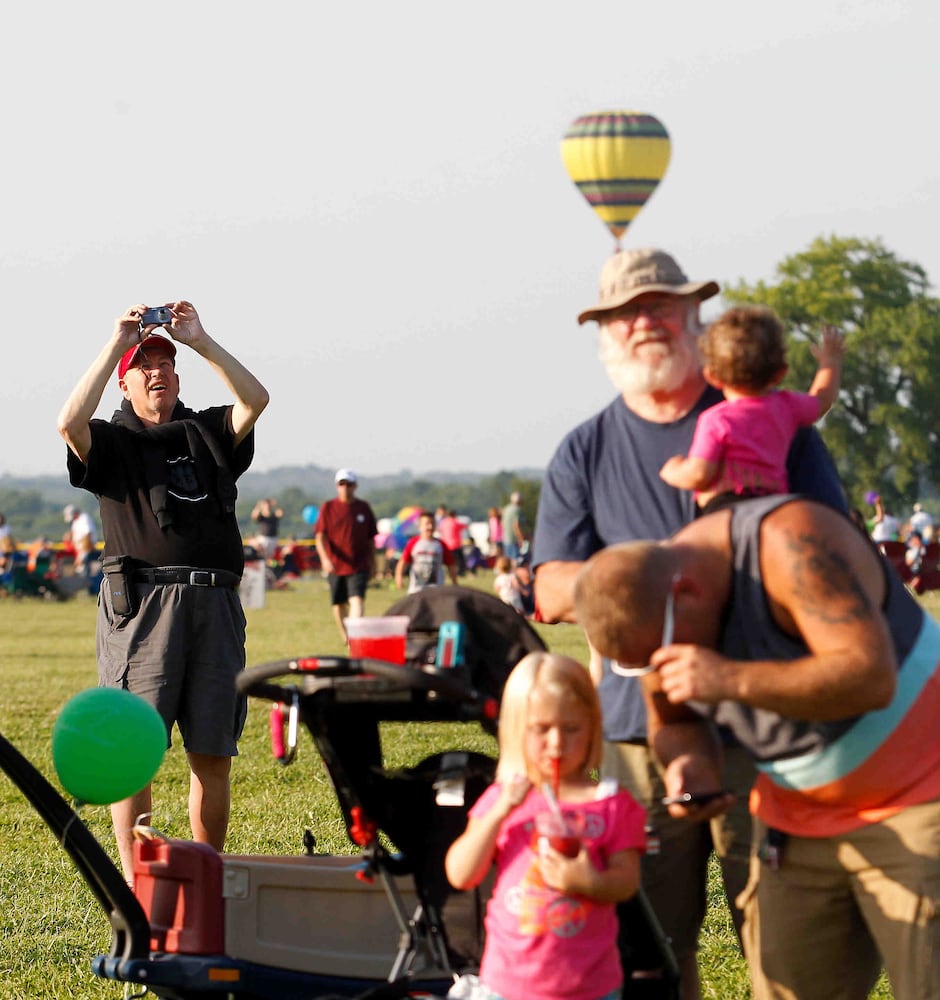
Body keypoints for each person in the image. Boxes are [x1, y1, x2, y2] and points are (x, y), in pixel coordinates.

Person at [532, 247, 846, 999]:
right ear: (604, 334)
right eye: (624, 313)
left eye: (661, 307)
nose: (644, 323)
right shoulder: (584, 449)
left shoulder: (776, 423)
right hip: (635, 735)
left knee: (786, 950)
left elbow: (833, 551)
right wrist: (654, 580)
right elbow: (549, 588)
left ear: (695, 319)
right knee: (650, 953)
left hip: (764, 721)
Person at [573, 495, 940, 1000]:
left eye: (658, 654)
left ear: (687, 591)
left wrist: (728, 678)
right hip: (798, 814)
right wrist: (689, 765)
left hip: (920, 795)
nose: (659, 668)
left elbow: (871, 675)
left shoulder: (788, 543)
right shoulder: (657, 611)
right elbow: (673, 723)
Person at [56, 302, 269, 881]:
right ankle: (137, 885)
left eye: (167, 365)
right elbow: (68, 423)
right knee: (134, 752)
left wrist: (199, 340)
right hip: (144, 607)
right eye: (144, 365)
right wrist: (114, 344)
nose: (158, 373)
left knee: (213, 753)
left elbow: (257, 400)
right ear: (125, 382)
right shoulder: (112, 443)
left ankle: (206, 875)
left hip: (216, 603)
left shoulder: (207, 431)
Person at [445, 652, 646, 1000]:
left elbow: (627, 881)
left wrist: (589, 882)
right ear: (516, 730)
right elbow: (461, 874)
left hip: (589, 986)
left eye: (571, 729)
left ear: (592, 728)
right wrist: (500, 811)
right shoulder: (505, 797)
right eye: (541, 729)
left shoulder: (611, 803)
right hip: (507, 984)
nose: (556, 743)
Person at [659, 306, 845, 511]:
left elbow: (700, 475)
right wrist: (830, 362)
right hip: (775, 505)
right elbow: (822, 400)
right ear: (780, 373)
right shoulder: (787, 407)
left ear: (712, 376)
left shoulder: (717, 420)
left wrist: (673, 470)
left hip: (725, 508)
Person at [314, 469, 377, 644]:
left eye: (349, 484)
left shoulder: (363, 508)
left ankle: (355, 636)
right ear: (337, 486)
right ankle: (346, 636)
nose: (345, 488)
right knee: (338, 604)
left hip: (359, 564)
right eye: (342, 484)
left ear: (355, 486)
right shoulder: (328, 507)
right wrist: (325, 559)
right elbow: (320, 537)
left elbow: (371, 539)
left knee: (357, 600)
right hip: (335, 564)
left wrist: (373, 563)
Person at [394, 510, 457, 593]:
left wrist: (454, 582)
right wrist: (399, 577)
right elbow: (403, 562)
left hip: (437, 590)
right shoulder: (413, 543)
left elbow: (451, 565)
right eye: (427, 524)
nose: (430, 527)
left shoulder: (441, 544)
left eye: (432, 524)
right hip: (416, 590)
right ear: (419, 526)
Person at [63, 502, 98, 575]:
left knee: (82, 570)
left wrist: (81, 555)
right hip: (80, 550)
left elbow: (88, 535)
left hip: (86, 550)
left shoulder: (84, 518)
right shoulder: (76, 521)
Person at [501, 492, 525, 565]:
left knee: (508, 560)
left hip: (506, 538)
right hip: (514, 539)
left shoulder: (506, 508)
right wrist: (521, 538)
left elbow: (502, 524)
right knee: (516, 560)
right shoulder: (517, 510)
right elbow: (516, 525)